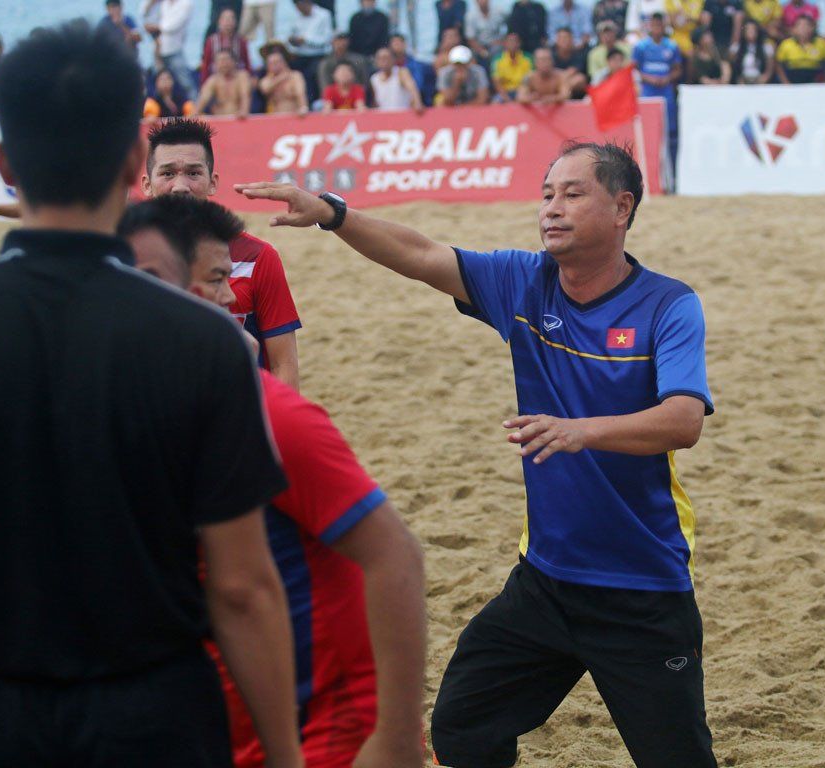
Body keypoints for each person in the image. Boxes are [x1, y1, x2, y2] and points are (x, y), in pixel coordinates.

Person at [235, 139, 718, 768]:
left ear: (622, 207)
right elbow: (421, 253)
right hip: (544, 584)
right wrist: (333, 213)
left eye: (573, 194)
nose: (552, 208)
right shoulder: (525, 282)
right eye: (547, 194)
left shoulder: (668, 304)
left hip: (641, 591)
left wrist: (581, 431)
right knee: (463, 725)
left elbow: (682, 422)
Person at [0, 22, 301, 768]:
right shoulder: (208, 341)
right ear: (136, 161)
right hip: (152, 708)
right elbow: (242, 588)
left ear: (3, 163)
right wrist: (286, 756)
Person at [120, 194, 428, 768]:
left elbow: (397, 558)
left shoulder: (270, 414)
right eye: (215, 280)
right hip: (223, 722)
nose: (226, 296)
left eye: (225, 279)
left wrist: (396, 735)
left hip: (326, 726)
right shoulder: (122, 414)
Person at [143, 118, 303, 390]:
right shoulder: (124, 260)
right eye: (167, 173)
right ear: (147, 184)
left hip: (236, 421)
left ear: (213, 182)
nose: (180, 186)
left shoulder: (257, 258)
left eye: (193, 173)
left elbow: (282, 365)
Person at [633, 13, 683, 154]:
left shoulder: (672, 46)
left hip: (665, 91)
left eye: (659, 25)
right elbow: (634, 69)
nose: (657, 28)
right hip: (648, 91)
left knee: (667, 129)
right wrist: (649, 78)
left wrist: (668, 78)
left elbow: (678, 70)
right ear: (649, 26)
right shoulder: (641, 47)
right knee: (647, 126)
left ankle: (667, 162)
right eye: (654, 25)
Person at [145, 0, 197, 100]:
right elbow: (145, 14)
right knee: (155, 85)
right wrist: (151, 3)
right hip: (158, 48)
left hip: (174, 50)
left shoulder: (186, 3)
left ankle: (196, 110)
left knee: (186, 83)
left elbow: (173, 26)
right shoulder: (163, 3)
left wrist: (155, 27)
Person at [289, 0, 334, 102]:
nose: (299, 9)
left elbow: (326, 40)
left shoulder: (324, 15)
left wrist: (306, 41)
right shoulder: (297, 17)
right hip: (300, 55)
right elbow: (292, 36)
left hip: (318, 54)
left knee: (310, 74)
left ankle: (312, 102)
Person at [776, 13, 825, 83]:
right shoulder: (786, 44)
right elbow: (778, 65)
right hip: (792, 81)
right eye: (800, 25)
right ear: (794, 29)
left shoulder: (821, 44)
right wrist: (785, 82)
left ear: (813, 28)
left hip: (816, 82)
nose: (803, 28)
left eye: (807, 25)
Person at [201, 8, 252, 82]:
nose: (228, 22)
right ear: (219, 22)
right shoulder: (211, 41)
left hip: (236, 79)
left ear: (235, 22)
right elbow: (206, 64)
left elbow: (247, 63)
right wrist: (204, 83)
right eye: (225, 19)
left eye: (231, 19)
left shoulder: (241, 41)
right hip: (217, 79)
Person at [198, 49, 252, 116]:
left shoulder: (242, 76)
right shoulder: (213, 80)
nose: (223, 63)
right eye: (219, 61)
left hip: (239, 118)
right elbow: (203, 99)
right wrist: (194, 115)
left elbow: (245, 96)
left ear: (234, 61)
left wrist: (244, 111)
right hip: (220, 119)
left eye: (226, 60)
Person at [260, 44, 310, 115]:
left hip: (293, 116)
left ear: (283, 62)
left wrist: (303, 107)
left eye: (276, 62)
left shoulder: (295, 76)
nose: (273, 65)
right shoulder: (266, 80)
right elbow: (265, 89)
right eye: (270, 63)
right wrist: (282, 77)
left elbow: (300, 94)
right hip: (274, 118)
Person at [370, 46, 425, 110]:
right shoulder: (374, 79)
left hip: (401, 115)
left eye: (386, 58)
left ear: (393, 59)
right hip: (384, 117)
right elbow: (375, 103)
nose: (384, 61)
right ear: (377, 61)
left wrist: (417, 102)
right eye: (380, 58)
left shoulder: (401, 73)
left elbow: (412, 88)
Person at [390, 33, 436, 104]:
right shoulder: (389, 66)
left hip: (413, 103)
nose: (396, 45)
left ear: (405, 44)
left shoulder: (416, 65)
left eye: (398, 42)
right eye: (394, 43)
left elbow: (418, 85)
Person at [492, 31, 535, 102]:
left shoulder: (528, 58)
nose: (512, 44)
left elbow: (532, 78)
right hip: (506, 92)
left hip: (524, 91)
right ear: (504, 44)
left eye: (515, 41)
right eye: (509, 41)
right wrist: (507, 99)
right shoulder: (497, 59)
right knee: (495, 101)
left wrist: (523, 94)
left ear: (519, 43)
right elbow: (497, 82)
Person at [731, 17, 776, 83]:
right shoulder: (737, 47)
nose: (750, 32)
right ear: (743, 32)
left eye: (753, 29)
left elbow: (770, 68)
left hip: (759, 80)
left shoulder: (766, 47)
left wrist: (765, 77)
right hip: (743, 80)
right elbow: (732, 65)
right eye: (748, 29)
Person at [550, 27, 589, 95]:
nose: (564, 40)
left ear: (572, 39)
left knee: (580, 79)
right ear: (556, 40)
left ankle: (562, 95)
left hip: (570, 85)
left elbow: (571, 72)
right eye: (561, 38)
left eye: (566, 37)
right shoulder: (550, 54)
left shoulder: (579, 54)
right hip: (555, 82)